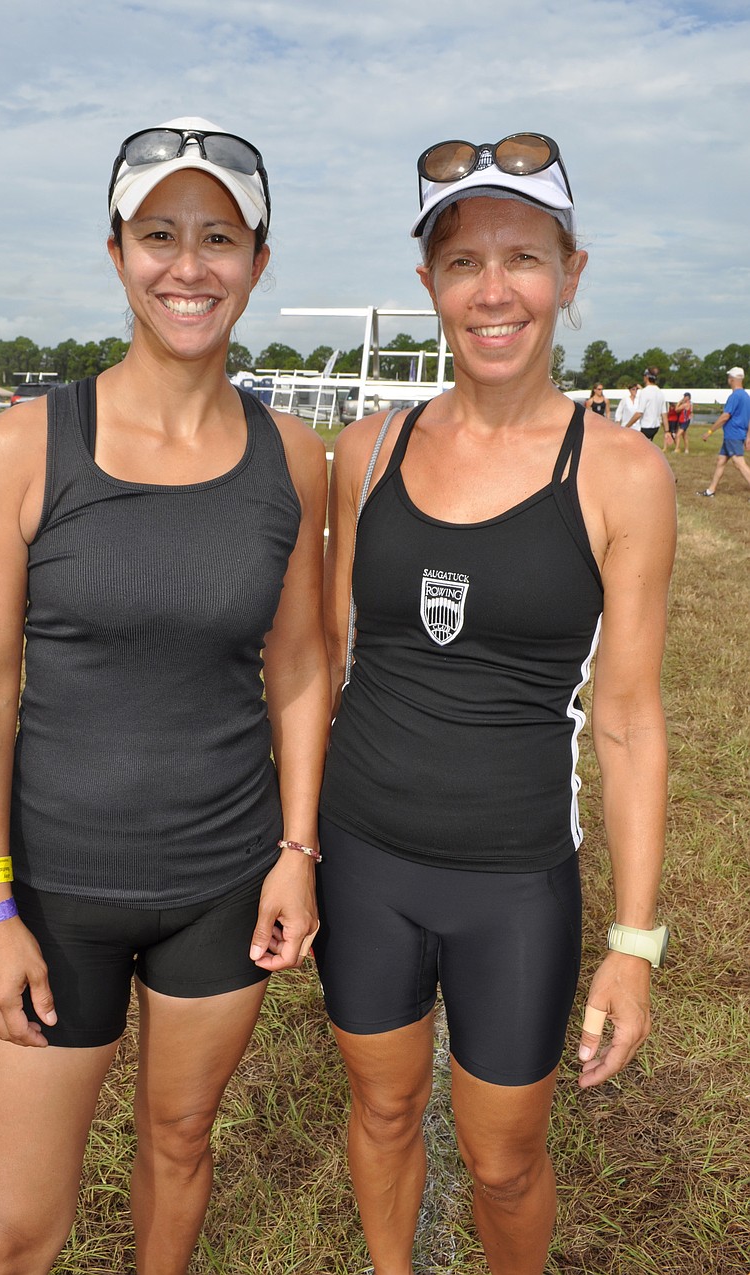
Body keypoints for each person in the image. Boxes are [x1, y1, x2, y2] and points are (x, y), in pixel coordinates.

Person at [0, 116, 330, 1275]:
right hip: (55, 894)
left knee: (178, 1141)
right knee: (11, 1233)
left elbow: (302, 666)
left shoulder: (293, 456)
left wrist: (296, 850)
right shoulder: (22, 446)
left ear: (258, 264)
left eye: (220, 238)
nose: (189, 265)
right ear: (116, 252)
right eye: (160, 234)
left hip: (223, 879)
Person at [317, 132, 675, 1275]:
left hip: (513, 877)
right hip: (364, 862)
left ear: (570, 274)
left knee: (504, 1158)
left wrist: (633, 946)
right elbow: (329, 659)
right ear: (429, 284)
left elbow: (626, 720)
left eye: (522, 258)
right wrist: (293, 849)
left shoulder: (620, 472)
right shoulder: (365, 452)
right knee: (379, 1114)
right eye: (463, 262)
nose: (493, 290)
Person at [696, 367, 750, 497]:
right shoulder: (746, 396)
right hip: (736, 434)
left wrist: (710, 431)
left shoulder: (735, 396)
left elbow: (725, 416)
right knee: (721, 461)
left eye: (729, 378)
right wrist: (748, 436)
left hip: (733, 435)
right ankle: (711, 490)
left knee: (739, 463)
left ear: (732, 379)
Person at [625, 367, 668, 442]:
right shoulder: (660, 392)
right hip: (656, 427)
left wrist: (627, 426)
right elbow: (664, 414)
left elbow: (639, 413)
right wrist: (667, 431)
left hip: (646, 426)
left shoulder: (645, 392)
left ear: (647, 377)